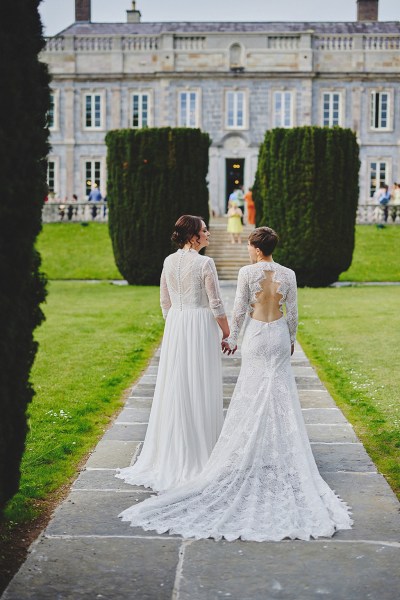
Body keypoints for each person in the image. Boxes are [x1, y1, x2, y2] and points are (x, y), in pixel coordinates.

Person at [118, 226, 352, 541]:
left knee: (250, 394)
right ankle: (282, 450)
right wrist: (291, 339)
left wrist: (233, 338)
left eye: (248, 245)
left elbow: (240, 309)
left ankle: (245, 450)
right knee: (281, 394)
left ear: (256, 248)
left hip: (257, 334)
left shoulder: (246, 273)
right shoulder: (288, 274)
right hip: (280, 334)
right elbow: (293, 312)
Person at [116, 215, 229, 492]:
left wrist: (176, 323)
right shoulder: (205, 263)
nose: (208, 234)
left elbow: (164, 301)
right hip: (200, 324)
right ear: (194, 236)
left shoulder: (169, 261)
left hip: (177, 324)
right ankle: (201, 452)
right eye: (204, 231)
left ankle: (173, 448)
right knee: (199, 383)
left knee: (176, 384)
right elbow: (215, 302)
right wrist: (227, 332)